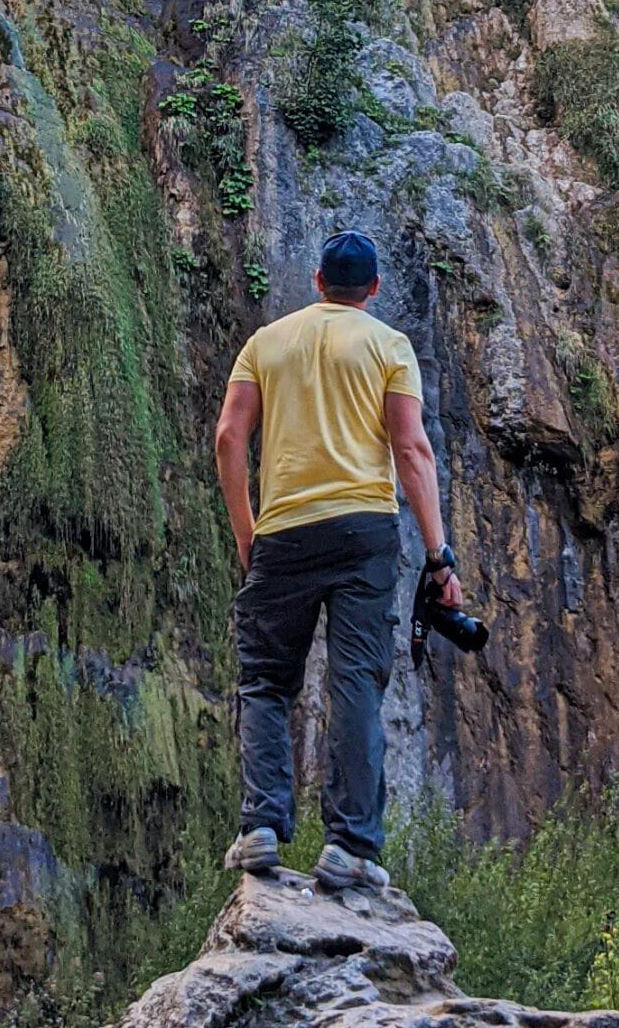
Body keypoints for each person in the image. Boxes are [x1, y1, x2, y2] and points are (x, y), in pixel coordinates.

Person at [213, 230, 465, 891]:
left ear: (318, 283)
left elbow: (229, 436)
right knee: (355, 683)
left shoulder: (267, 343)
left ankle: (261, 827)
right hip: (364, 530)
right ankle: (351, 847)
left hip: (285, 530)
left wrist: (247, 531)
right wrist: (438, 557)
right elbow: (412, 450)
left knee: (267, 681)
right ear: (373, 290)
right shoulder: (388, 346)